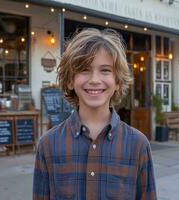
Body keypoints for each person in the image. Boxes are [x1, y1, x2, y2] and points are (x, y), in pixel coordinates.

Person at [33, 28, 157, 200]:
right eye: (84, 70)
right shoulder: (48, 145)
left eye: (105, 70)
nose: (94, 80)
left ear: (118, 82)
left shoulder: (138, 145)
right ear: (70, 80)